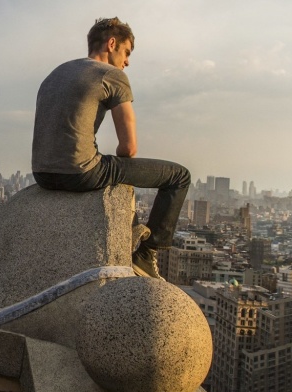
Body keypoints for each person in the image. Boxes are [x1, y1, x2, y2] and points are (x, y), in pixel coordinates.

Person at [32, 17, 190, 277]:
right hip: (80, 173)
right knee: (179, 176)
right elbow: (128, 148)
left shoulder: (56, 73)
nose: (127, 61)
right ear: (112, 43)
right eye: (126, 52)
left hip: (42, 174)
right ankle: (146, 254)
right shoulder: (111, 75)